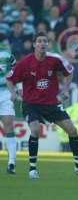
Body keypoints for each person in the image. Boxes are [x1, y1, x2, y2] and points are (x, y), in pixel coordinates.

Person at [6, 32, 78, 179]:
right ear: (34, 45)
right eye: (39, 41)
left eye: (45, 41)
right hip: (31, 104)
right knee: (35, 130)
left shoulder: (55, 59)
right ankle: (32, 169)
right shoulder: (25, 63)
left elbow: (69, 72)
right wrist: (13, 93)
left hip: (51, 103)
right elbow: (9, 78)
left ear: (48, 44)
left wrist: (65, 90)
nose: (42, 44)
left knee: (72, 130)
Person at [0, 41, 17, 174]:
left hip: (5, 92)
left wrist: (16, 90)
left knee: (8, 125)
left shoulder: (7, 55)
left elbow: (16, 72)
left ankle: (11, 162)